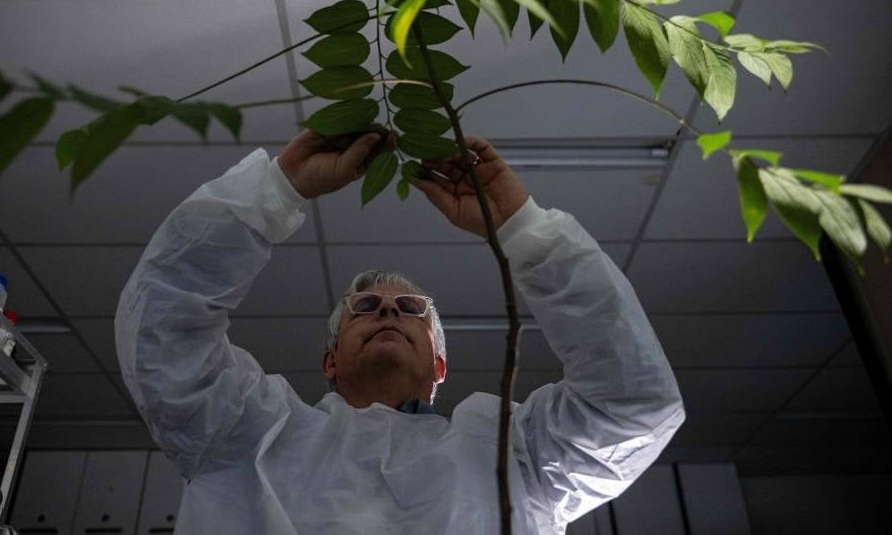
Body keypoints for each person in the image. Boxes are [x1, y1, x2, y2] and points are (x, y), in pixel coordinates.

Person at [115, 130, 685, 534]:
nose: (388, 312)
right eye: (366, 306)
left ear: (440, 366)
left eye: (410, 308)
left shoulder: (516, 456)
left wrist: (525, 229)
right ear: (330, 360)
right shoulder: (246, 431)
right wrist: (274, 190)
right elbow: (162, 328)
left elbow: (633, 407)